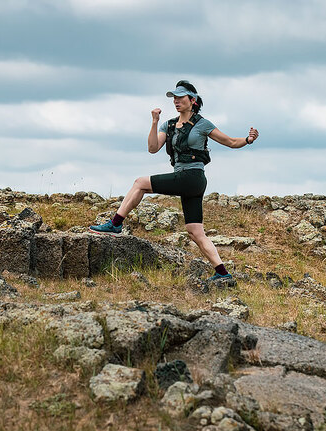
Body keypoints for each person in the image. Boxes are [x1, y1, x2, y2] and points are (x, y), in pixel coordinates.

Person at [90, 80, 259, 281]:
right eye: (174, 98)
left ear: (192, 100)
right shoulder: (168, 125)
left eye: (180, 98)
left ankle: (115, 224)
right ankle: (222, 273)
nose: (176, 101)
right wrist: (154, 121)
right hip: (187, 180)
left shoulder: (202, 124)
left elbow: (230, 142)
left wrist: (248, 140)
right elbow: (153, 148)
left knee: (140, 183)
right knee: (195, 231)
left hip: (193, 177)